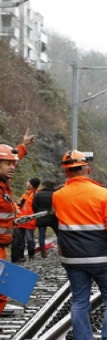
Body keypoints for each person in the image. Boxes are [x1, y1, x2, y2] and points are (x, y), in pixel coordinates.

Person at [52, 150, 107, 340]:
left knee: (79, 301)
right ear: (87, 168)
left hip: (73, 258)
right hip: (103, 258)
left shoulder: (58, 196)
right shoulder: (103, 194)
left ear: (66, 173)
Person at [0, 129, 36, 317]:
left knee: (2, 290)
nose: (12, 167)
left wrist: (22, 147)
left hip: (2, 244)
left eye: (13, 164)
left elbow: (12, 158)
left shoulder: (5, 182)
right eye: (8, 164)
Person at [12, 177, 40, 262]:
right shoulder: (26, 194)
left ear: (32, 185)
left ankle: (31, 254)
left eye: (29, 182)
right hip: (22, 220)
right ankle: (21, 255)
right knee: (21, 239)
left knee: (29, 239)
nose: (27, 184)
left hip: (30, 221)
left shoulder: (36, 194)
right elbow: (19, 204)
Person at [32, 178, 59, 258]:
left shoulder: (38, 194)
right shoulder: (56, 194)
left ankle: (43, 253)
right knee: (59, 234)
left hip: (41, 216)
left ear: (44, 185)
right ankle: (61, 250)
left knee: (41, 235)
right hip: (53, 217)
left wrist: (38, 212)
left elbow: (34, 206)